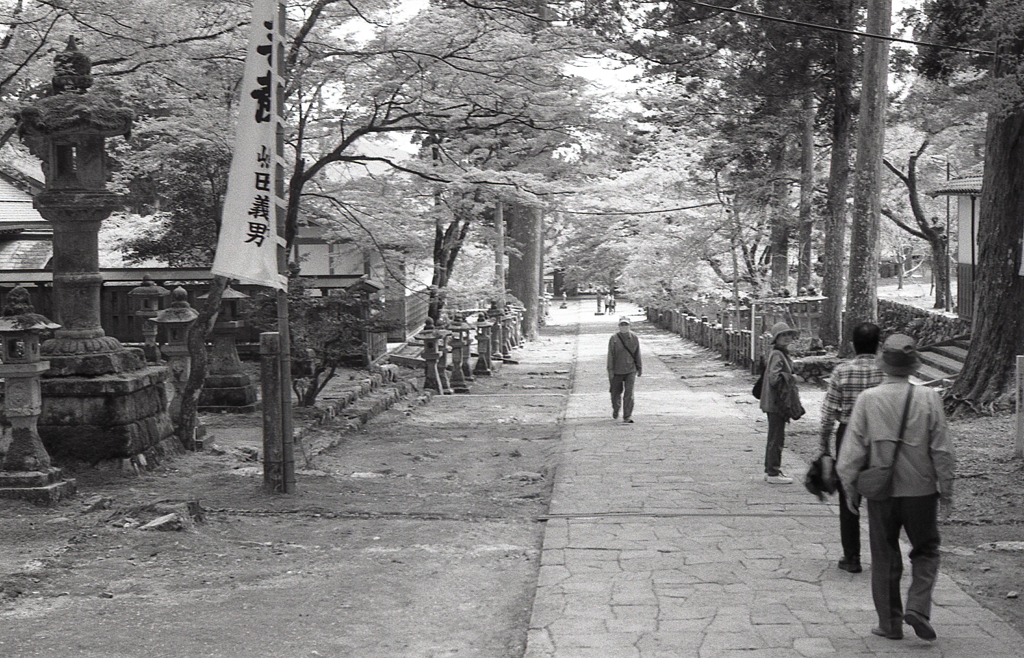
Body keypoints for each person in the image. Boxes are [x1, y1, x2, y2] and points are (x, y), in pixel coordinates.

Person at [836, 334, 955, 642]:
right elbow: (942, 449)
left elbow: (851, 453)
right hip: (921, 490)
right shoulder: (929, 398)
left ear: (882, 362)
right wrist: (947, 487)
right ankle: (917, 606)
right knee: (926, 550)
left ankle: (890, 623)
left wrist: (851, 489)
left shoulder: (868, 399)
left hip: (882, 492)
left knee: (885, 555)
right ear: (914, 364)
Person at [819, 322, 884, 574]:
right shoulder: (886, 373)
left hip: (848, 435)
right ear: (878, 345)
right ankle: (883, 555)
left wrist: (824, 446)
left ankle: (852, 556)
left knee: (849, 496)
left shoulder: (842, 372)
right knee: (881, 495)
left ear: (851, 345)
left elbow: (827, 415)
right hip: (880, 437)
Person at [760, 322, 800, 484]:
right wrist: (792, 378)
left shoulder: (781, 353)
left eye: (788, 335)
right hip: (777, 402)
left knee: (775, 436)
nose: (786, 338)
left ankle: (771, 469)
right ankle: (773, 472)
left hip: (776, 401)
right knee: (776, 437)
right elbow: (774, 378)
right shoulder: (777, 354)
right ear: (776, 338)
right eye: (782, 335)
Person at [607, 316, 642, 423]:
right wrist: (610, 370)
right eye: (622, 325)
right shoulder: (614, 339)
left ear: (629, 326)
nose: (624, 327)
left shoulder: (634, 338)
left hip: (630, 370)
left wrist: (639, 367)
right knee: (615, 393)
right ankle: (616, 408)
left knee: (629, 394)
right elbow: (610, 355)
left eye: (626, 325)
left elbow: (637, 354)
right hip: (617, 370)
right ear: (619, 326)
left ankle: (627, 416)